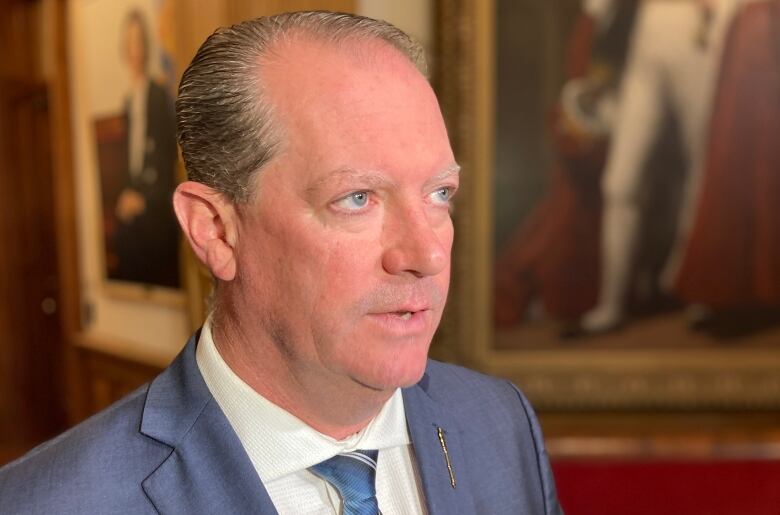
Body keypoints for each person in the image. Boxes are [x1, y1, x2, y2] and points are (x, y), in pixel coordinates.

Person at [0, 12, 561, 514]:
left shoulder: (498, 421)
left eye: (440, 194)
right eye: (357, 198)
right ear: (215, 231)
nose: (427, 255)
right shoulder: (53, 502)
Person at [110, 9, 180, 288]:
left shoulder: (157, 94)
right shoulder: (129, 102)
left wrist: (145, 199)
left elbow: (165, 160)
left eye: (138, 42)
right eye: (129, 43)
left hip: (158, 199)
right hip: (137, 194)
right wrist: (127, 194)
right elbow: (130, 161)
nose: (134, 50)